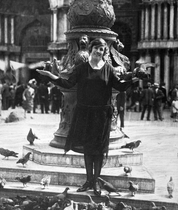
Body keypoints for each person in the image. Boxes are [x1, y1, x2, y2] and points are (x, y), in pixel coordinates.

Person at [37, 38, 137, 196]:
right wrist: (50, 75)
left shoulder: (109, 68)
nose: (99, 51)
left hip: (102, 114)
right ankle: (89, 179)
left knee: (99, 150)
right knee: (88, 149)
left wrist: (134, 79)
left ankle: (96, 181)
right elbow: (68, 84)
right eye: (97, 48)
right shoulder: (82, 68)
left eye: (102, 49)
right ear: (91, 49)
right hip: (85, 113)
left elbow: (119, 86)